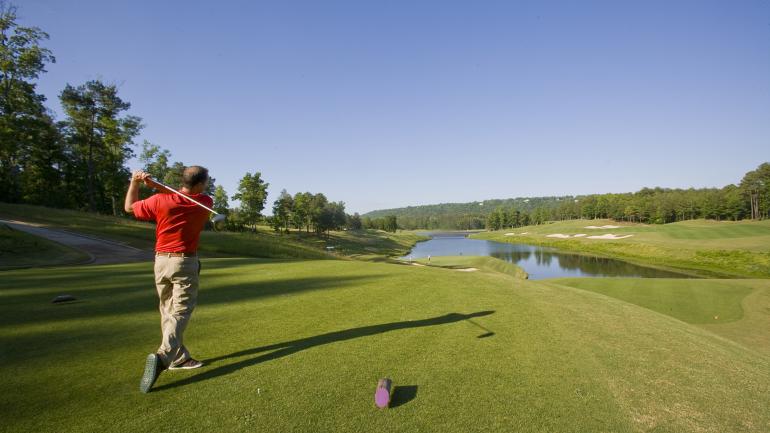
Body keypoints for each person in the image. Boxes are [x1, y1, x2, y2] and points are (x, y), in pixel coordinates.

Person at [124, 166, 214, 393]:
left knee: (167, 310)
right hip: (184, 262)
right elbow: (181, 195)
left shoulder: (159, 200)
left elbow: (128, 207)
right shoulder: (205, 202)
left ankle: (179, 357)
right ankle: (164, 356)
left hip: (161, 262)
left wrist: (135, 182)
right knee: (181, 310)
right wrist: (156, 187)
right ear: (201, 184)